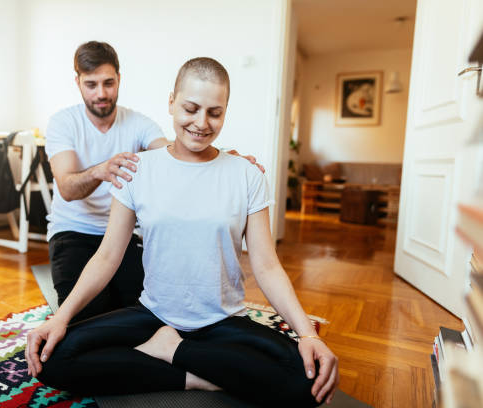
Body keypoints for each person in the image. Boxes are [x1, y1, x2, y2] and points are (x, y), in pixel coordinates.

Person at [27, 57, 339, 406]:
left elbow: (267, 266)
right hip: (154, 315)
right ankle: (200, 375)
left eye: (215, 113)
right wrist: (60, 318)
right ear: (171, 102)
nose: (201, 123)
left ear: (225, 112)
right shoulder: (138, 169)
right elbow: (108, 256)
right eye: (190, 108)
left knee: (306, 381)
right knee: (52, 357)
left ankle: (173, 350)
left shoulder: (246, 174)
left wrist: (308, 334)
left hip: (223, 320)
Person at [45, 41, 263, 323]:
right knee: (87, 319)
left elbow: (175, 152)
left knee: (143, 314)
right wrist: (101, 170)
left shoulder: (138, 123)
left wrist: (220, 159)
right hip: (73, 233)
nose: (101, 93)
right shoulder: (63, 123)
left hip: (124, 237)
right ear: (78, 83)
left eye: (109, 83)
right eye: (91, 84)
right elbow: (66, 187)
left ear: (119, 79)